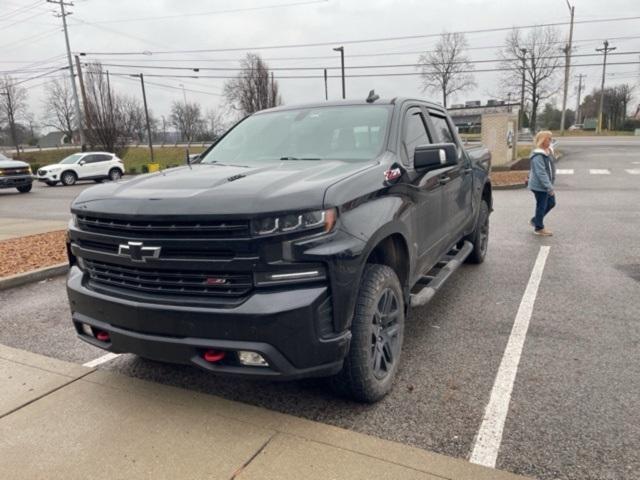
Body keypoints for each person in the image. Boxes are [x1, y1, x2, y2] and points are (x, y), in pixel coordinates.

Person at [527, 130, 556, 236]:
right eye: (549, 139)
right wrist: (549, 187)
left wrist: (550, 151)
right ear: (543, 141)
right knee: (542, 206)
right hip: (540, 186)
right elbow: (541, 173)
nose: (551, 141)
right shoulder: (538, 156)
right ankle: (539, 228)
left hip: (545, 185)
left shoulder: (546, 152)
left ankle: (535, 220)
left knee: (551, 203)